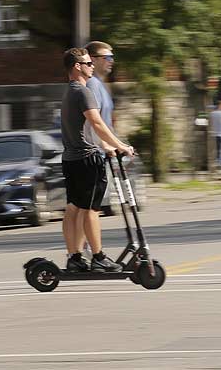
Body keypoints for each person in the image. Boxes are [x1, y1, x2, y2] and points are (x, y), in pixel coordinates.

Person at [60, 47, 134, 273]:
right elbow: (98, 123)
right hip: (87, 158)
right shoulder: (83, 92)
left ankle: (75, 257)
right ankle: (99, 257)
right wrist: (120, 145)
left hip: (70, 159)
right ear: (77, 66)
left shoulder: (69, 92)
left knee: (73, 208)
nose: (92, 66)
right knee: (91, 210)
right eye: (88, 63)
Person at [84, 41, 116, 217]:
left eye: (112, 57)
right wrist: (106, 144)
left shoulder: (99, 85)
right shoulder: (93, 85)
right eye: (107, 57)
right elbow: (93, 120)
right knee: (89, 208)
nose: (111, 61)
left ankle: (81, 245)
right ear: (93, 60)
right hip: (93, 154)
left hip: (100, 153)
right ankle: (85, 245)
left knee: (86, 208)